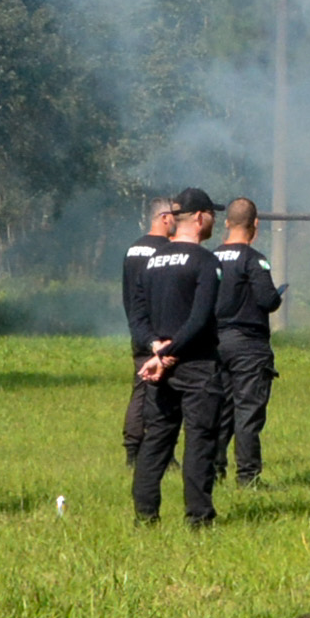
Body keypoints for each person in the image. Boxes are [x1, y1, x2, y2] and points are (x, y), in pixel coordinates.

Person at [132, 187, 228, 528]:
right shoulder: (206, 261)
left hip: (158, 366)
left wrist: (155, 348)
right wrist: (169, 352)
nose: (215, 221)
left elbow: (137, 316)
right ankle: (199, 518)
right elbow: (200, 319)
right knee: (200, 440)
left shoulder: (152, 261)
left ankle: (145, 516)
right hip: (197, 364)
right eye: (213, 215)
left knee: (156, 439)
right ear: (200, 218)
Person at [212, 196, 284, 488]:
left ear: (227, 223)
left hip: (215, 344)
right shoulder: (254, 260)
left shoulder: (211, 258)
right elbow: (268, 300)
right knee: (248, 412)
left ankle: (213, 471)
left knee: (220, 410)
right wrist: (277, 295)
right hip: (249, 347)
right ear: (256, 224)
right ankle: (248, 477)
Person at [119, 195, 176, 468]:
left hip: (138, 330)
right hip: (160, 334)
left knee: (140, 389)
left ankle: (133, 449)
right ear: (164, 218)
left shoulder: (133, 249)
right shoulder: (167, 251)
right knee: (163, 394)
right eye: (175, 216)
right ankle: (159, 452)